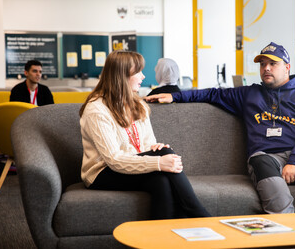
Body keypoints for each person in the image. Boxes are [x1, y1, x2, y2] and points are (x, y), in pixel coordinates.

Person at [146, 42, 295, 215]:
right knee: (262, 167)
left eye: (272, 63)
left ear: (287, 67)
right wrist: (175, 96)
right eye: (262, 64)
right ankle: (288, 239)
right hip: (267, 155)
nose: (266, 68)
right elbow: (212, 94)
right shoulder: (249, 94)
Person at [79, 50, 210, 220]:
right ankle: (199, 214)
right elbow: (114, 160)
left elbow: (148, 142)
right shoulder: (96, 109)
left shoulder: (137, 103)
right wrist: (158, 161)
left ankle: (161, 239)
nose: (143, 76)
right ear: (122, 75)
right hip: (102, 172)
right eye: (138, 72)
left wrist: (154, 149)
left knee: (161, 180)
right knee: (164, 156)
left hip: (132, 161)